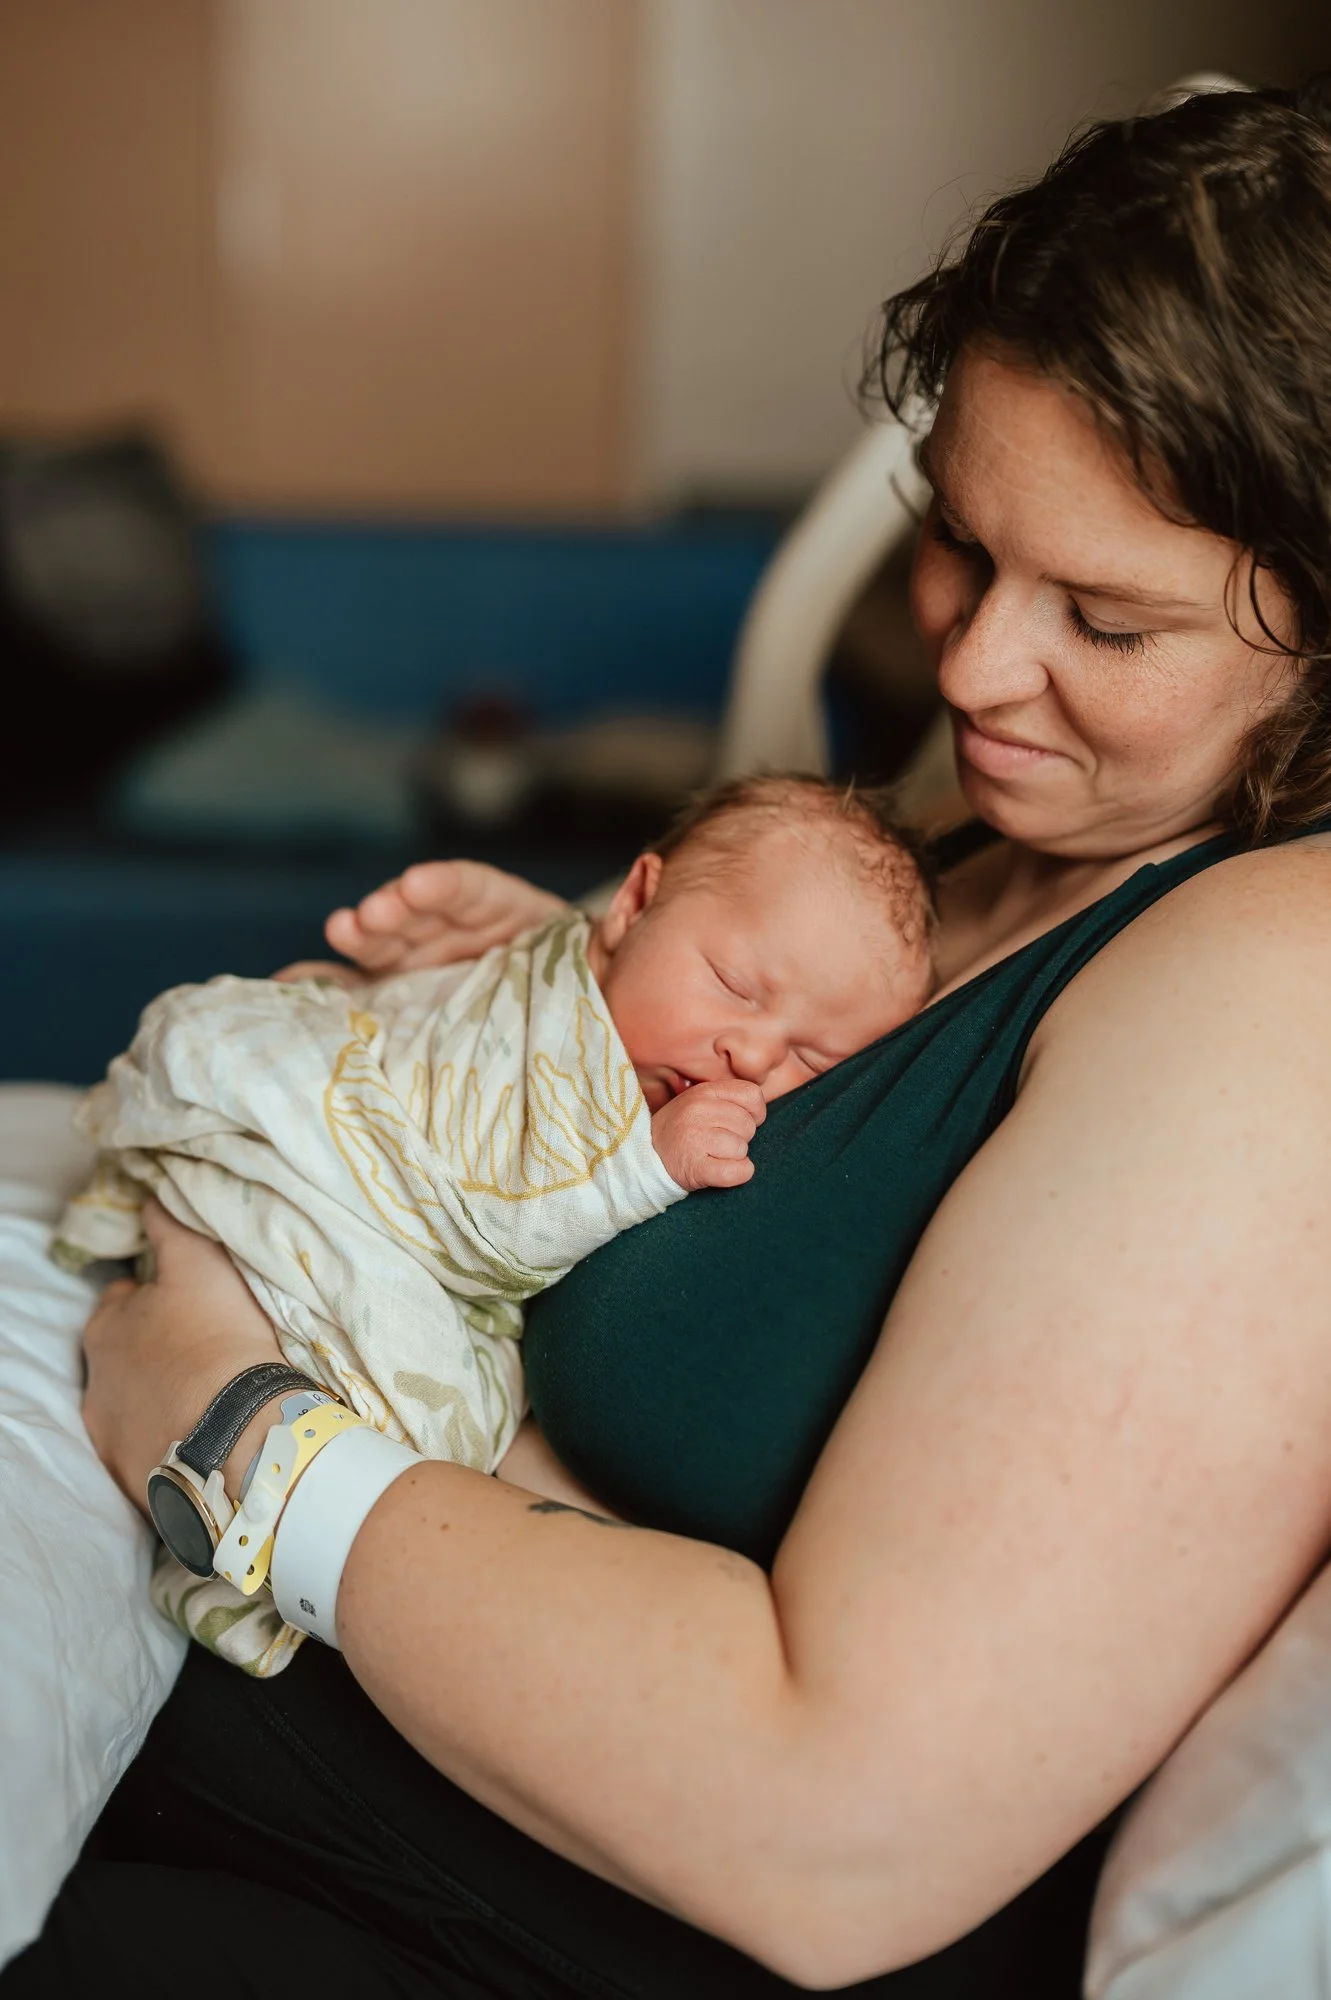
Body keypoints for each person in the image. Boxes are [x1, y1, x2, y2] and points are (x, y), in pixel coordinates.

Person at [9, 78, 1331, 1999]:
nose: (967, 665)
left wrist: (239, 1435)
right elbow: (808, 1190)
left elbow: (841, 1831)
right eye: (958, 544)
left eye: (1103, 624)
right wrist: (546, 990)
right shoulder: (1000, 819)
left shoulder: (1268, 992)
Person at [51, 777, 932, 1674]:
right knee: (415, 1389)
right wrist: (639, 1171)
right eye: (733, 985)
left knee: (432, 1426)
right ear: (630, 906)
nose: (751, 1054)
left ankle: (223, 1467)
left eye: (810, 1059)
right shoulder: (563, 1023)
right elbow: (482, 1220)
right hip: (329, 1169)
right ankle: (230, 1513)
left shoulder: (643, 1018)